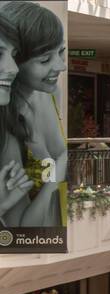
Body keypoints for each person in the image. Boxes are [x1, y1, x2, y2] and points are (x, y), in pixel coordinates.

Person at [0, 0, 66, 229]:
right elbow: (22, 228)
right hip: (36, 241)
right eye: (45, 59)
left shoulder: (51, 94)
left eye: (62, 52)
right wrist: (55, 178)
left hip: (55, 234)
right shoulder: (8, 125)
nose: (61, 66)